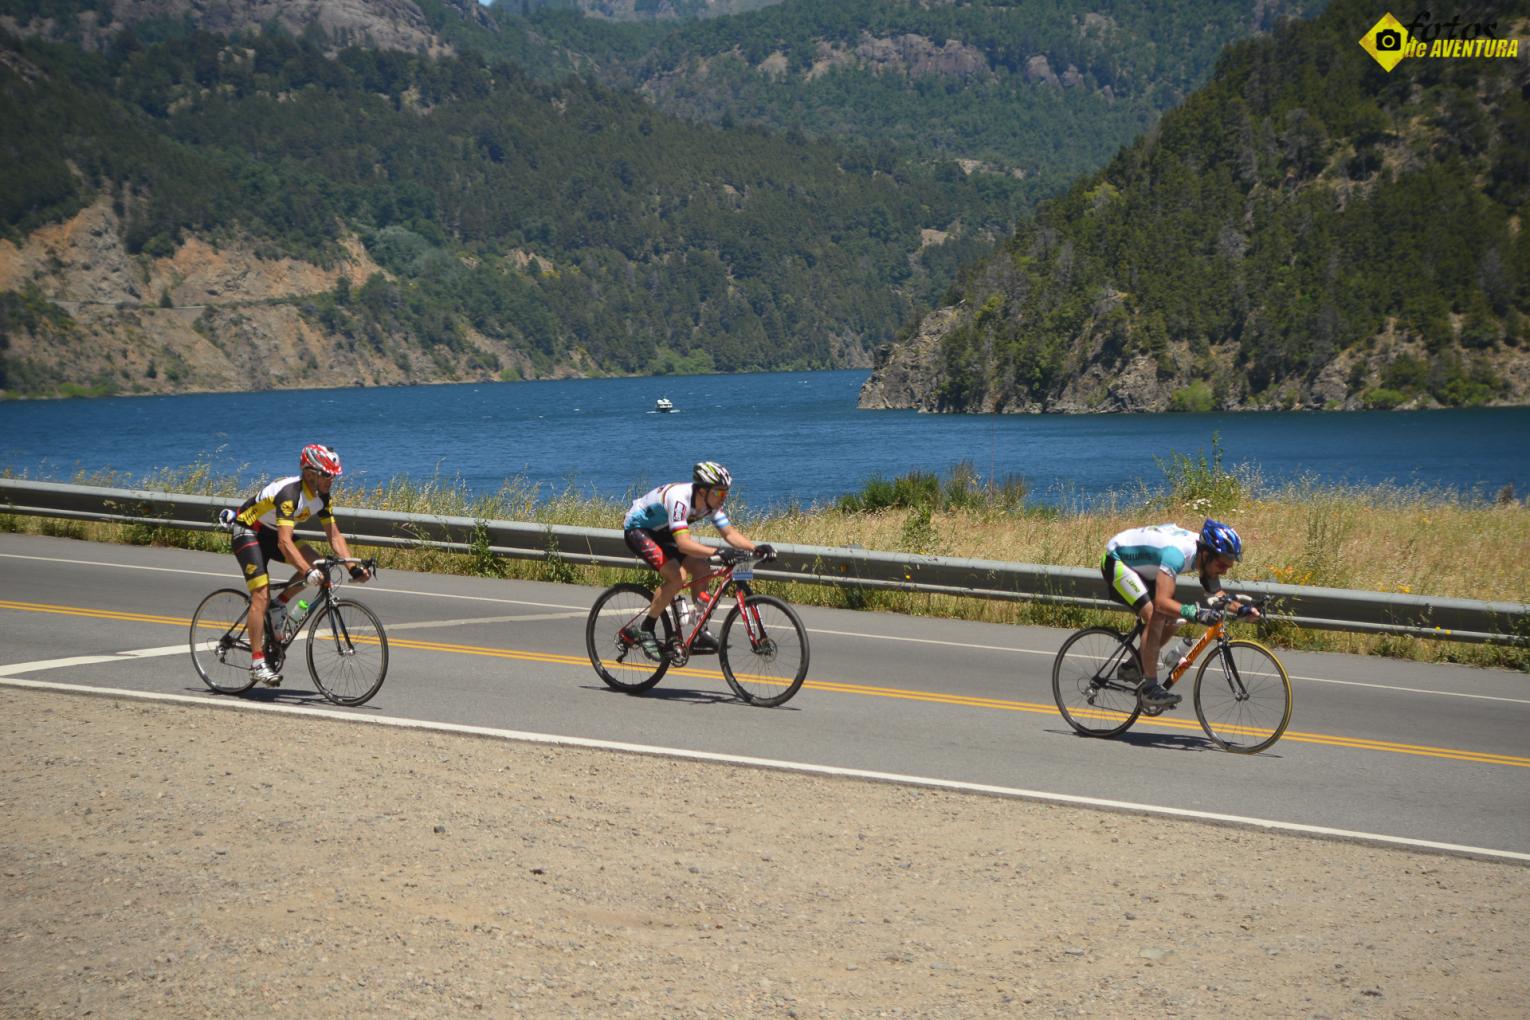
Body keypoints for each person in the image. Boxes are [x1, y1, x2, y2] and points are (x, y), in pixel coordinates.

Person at [228, 444, 370, 686]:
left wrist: (352, 567)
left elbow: (334, 536)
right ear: (310, 473)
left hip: (273, 533)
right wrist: (307, 572)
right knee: (260, 595)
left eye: (333, 475)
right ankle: (257, 663)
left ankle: (279, 604)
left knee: (321, 567)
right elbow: (285, 542)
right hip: (249, 531)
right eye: (327, 475)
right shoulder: (290, 494)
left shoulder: (322, 497)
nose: (331, 480)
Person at [620, 461, 776, 659]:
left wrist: (756, 548)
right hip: (639, 530)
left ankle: (700, 629)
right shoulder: (680, 499)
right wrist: (718, 552)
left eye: (726, 494)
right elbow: (684, 544)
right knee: (676, 577)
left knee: (702, 568)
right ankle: (646, 628)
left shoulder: (711, 504)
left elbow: (728, 533)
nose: (723, 498)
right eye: (720, 493)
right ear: (703, 491)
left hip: (663, 533)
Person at [1100, 518, 1254, 707]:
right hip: (1118, 561)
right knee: (1155, 615)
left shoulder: (1205, 553)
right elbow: (1161, 603)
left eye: (1228, 567)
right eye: (1222, 566)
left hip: (1145, 568)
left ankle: (1133, 666)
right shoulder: (1177, 554)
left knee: (1173, 616)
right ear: (1206, 555)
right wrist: (1195, 613)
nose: (1224, 572)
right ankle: (1149, 688)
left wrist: (1242, 609)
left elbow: (1215, 593)